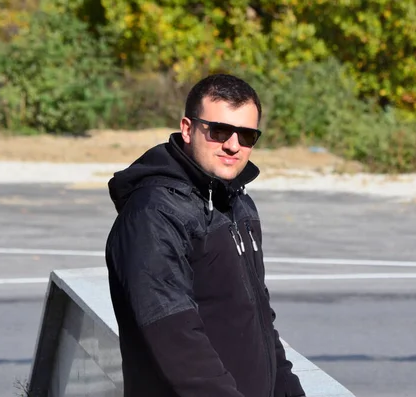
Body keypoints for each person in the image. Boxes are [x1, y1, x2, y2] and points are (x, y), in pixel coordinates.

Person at [105, 74, 306, 397]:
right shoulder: (153, 214)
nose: (233, 145)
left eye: (247, 135)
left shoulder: (239, 206)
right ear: (187, 128)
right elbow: (175, 338)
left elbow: (260, 322)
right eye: (219, 131)